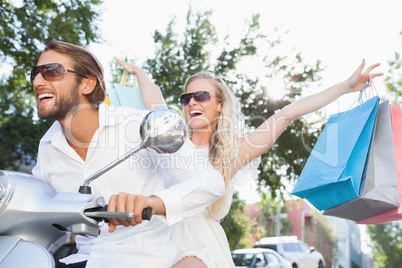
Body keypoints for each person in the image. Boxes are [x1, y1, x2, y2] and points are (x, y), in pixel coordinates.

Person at [117, 59, 382, 267]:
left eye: (202, 96)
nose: (192, 102)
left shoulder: (232, 153)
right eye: (186, 98)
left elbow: (287, 113)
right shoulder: (170, 138)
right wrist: (139, 72)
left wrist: (347, 85)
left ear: (220, 105)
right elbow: (155, 100)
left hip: (199, 245)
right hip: (156, 237)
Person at [31, 40, 225, 268]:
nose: (37, 81)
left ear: (87, 84)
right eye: (35, 74)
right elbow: (38, 218)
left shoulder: (137, 125)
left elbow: (212, 182)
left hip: (143, 259)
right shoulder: (47, 148)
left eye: (51, 72)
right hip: (80, 260)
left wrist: (150, 203)